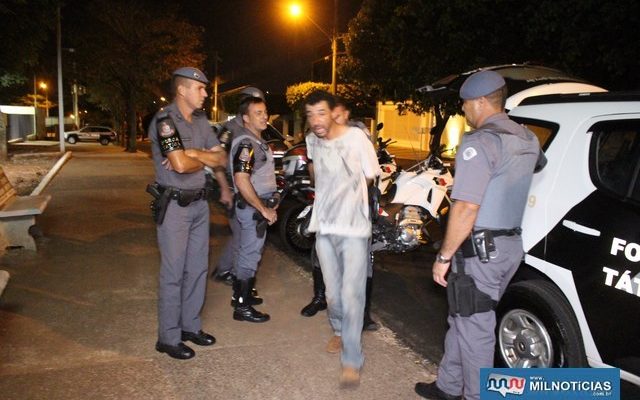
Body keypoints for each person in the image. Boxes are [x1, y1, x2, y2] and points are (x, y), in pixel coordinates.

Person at [414, 70, 546, 399]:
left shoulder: (480, 141)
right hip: (510, 248)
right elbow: (538, 166)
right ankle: (447, 385)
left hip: (480, 253)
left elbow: (466, 208)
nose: (463, 111)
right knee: (465, 318)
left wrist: (443, 257)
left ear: (481, 102)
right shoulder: (528, 137)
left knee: (476, 330)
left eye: (465, 104)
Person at [149, 67, 231, 360]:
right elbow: (178, 166)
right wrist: (195, 157)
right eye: (201, 88)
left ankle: (189, 327)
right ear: (182, 90)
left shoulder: (200, 122)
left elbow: (220, 157)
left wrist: (192, 153)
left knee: (197, 269)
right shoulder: (165, 123)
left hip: (200, 204)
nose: (206, 93)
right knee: (173, 273)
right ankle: (168, 338)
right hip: (174, 207)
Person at [303, 90, 380, 388]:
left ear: (334, 112)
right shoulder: (312, 141)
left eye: (321, 113)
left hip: (354, 230)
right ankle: (338, 329)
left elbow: (371, 174)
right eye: (310, 115)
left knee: (352, 295)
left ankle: (351, 360)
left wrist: (351, 193)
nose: (315, 121)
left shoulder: (356, 138)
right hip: (324, 227)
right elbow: (316, 172)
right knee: (332, 295)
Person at [227, 95, 278, 323]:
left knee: (245, 253)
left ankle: (240, 296)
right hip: (252, 209)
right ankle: (243, 308)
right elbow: (241, 179)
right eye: (258, 113)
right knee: (250, 255)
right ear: (245, 118)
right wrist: (263, 209)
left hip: (254, 207)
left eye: (265, 111)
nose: (264, 116)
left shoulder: (256, 142)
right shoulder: (246, 144)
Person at [210, 86, 267, 289]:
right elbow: (218, 161)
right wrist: (225, 188)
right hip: (235, 188)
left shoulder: (253, 129)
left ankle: (227, 270)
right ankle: (232, 275)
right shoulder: (230, 129)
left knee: (242, 234)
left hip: (249, 189)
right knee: (243, 235)